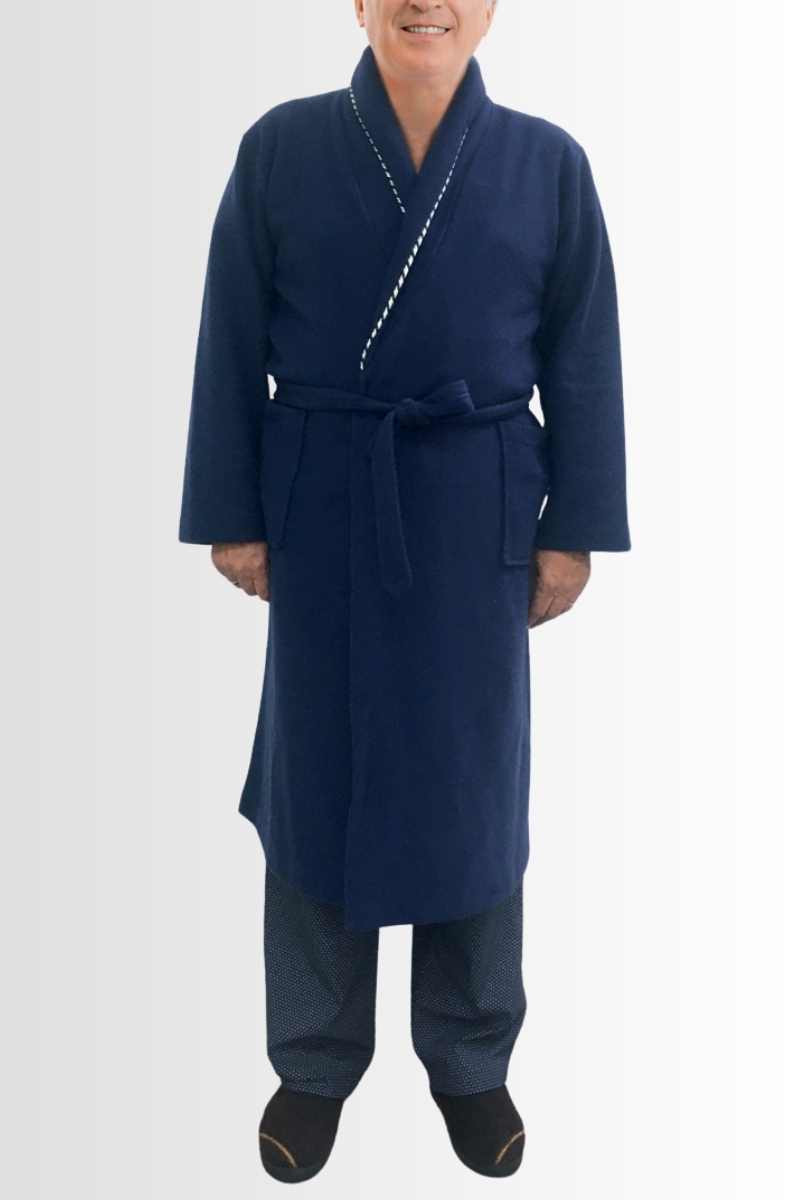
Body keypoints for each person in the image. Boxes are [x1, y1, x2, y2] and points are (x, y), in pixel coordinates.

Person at [178, 0, 631, 1182]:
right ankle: (314, 1059)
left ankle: (470, 1058)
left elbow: (582, 356)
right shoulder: (280, 147)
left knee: (470, 788)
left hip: (477, 510)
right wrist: (231, 509)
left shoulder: (546, 163)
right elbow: (229, 336)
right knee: (317, 776)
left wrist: (575, 527)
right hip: (324, 504)